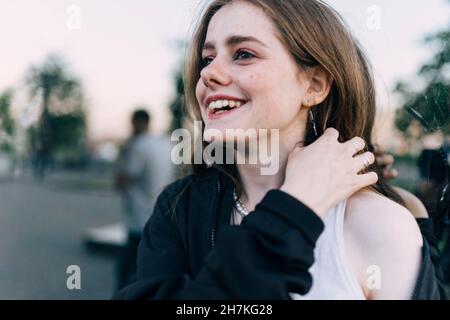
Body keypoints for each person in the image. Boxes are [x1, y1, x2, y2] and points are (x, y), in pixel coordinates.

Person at [115, 0, 444, 299]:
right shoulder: (179, 208)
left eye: (243, 54)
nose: (208, 74)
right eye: (207, 58)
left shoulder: (379, 224)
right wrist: (296, 206)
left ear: (313, 85)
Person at [114, 109, 175, 291]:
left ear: (137, 122)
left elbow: (121, 181)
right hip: (161, 214)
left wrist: (122, 154)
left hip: (140, 217)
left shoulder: (138, 146)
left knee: (127, 270)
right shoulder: (166, 144)